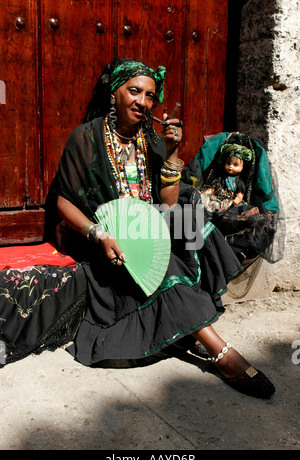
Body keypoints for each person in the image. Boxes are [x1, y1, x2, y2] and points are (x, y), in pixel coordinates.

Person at [43, 58, 275, 399]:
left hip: (148, 224)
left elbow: (166, 203)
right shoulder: (87, 139)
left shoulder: (150, 138)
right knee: (165, 265)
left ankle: (189, 324)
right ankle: (220, 351)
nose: (142, 102)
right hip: (108, 239)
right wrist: (100, 234)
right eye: (134, 91)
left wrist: (171, 152)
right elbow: (64, 201)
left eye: (150, 96)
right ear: (114, 93)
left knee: (195, 225)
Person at [180, 132, 280, 263]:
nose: (231, 167)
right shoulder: (220, 177)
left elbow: (240, 193)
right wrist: (208, 192)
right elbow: (214, 187)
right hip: (219, 200)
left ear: (243, 166)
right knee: (206, 204)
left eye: (235, 164)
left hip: (232, 203)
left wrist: (238, 198)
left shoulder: (239, 182)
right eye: (228, 163)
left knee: (240, 212)